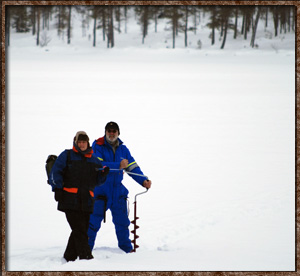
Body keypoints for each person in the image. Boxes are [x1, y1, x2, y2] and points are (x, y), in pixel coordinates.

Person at [87, 122, 152, 253]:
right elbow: (97, 165)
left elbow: (133, 167)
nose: (111, 133)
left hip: (118, 192)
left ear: (118, 133)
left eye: (114, 131)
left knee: (123, 223)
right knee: (92, 224)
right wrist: (118, 165)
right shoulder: (98, 145)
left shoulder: (123, 149)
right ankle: (85, 251)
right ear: (105, 132)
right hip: (101, 190)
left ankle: (126, 252)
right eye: (109, 131)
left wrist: (143, 180)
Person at [49, 131, 110, 262]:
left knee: (79, 230)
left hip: (87, 202)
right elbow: (55, 172)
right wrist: (57, 189)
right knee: (80, 230)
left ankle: (69, 257)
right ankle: (86, 257)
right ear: (75, 142)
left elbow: (97, 182)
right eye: (79, 142)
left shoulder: (94, 160)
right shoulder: (67, 155)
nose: (82, 144)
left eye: (84, 142)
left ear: (88, 143)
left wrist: (103, 174)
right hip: (69, 200)